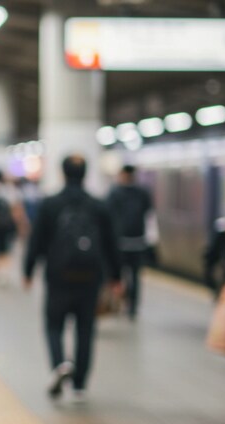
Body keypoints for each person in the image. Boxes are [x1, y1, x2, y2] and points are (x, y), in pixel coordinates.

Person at [23, 155, 122, 403]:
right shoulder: (97, 205)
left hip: (58, 275)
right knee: (85, 328)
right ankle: (80, 385)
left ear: (61, 174)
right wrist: (116, 277)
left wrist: (28, 270)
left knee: (54, 324)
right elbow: (112, 243)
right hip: (90, 277)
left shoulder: (50, 204)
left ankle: (59, 365)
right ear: (86, 174)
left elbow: (37, 240)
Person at [106, 165, 156, 319]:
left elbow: (107, 217)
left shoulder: (113, 193)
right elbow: (149, 216)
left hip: (119, 242)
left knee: (118, 275)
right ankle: (132, 306)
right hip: (138, 241)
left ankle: (118, 304)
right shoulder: (142, 193)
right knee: (135, 276)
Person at [0, 170, 27, 286]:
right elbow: (16, 210)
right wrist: (20, 225)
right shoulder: (10, 190)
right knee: (5, 250)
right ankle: (4, 272)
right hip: (6, 225)